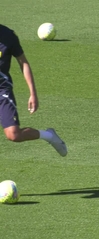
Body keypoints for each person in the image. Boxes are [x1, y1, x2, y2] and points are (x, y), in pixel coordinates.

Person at [0, 24, 67, 156]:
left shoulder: (8, 35)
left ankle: (49, 135)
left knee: (14, 135)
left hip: (2, 90)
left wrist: (33, 93)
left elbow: (23, 62)